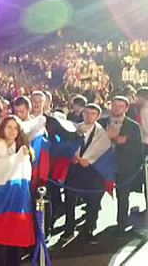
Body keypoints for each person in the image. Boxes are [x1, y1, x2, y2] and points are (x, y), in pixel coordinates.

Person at [61, 104, 111, 244]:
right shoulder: (74, 129)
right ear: (82, 114)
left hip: (93, 172)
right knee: (70, 200)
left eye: (93, 113)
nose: (89, 116)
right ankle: (69, 228)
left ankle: (88, 230)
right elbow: (65, 145)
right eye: (86, 113)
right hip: (74, 169)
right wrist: (72, 155)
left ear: (98, 116)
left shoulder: (102, 133)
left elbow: (103, 151)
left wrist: (89, 160)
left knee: (93, 202)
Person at [98, 96, 143, 236]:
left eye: (120, 106)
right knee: (95, 196)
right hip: (102, 165)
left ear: (126, 108)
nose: (116, 108)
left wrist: (118, 140)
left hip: (123, 167)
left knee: (122, 197)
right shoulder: (101, 122)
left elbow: (136, 148)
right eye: (114, 105)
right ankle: (89, 225)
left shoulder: (133, 126)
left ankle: (121, 225)